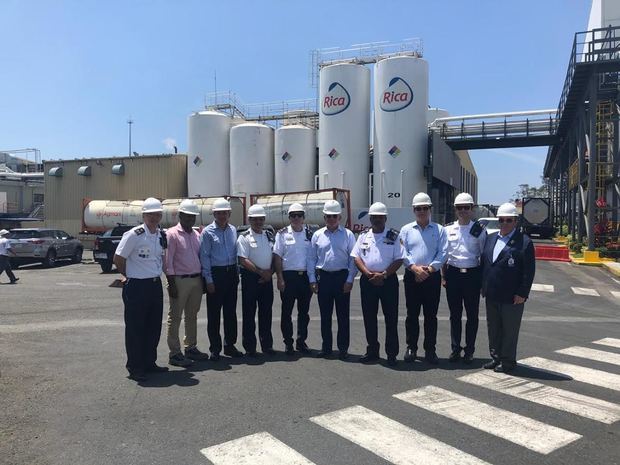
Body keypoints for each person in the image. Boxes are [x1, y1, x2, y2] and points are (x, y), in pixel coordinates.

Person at [113, 197, 169, 382]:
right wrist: (127, 275)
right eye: (150, 214)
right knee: (136, 328)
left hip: (154, 285)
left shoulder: (161, 235)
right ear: (144, 215)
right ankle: (135, 367)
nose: (154, 217)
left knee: (153, 327)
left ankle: (149, 363)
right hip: (137, 286)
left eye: (157, 214)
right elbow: (118, 258)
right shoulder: (134, 235)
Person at [481, 202, 535, 373]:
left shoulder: (524, 242)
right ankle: (496, 357)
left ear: (515, 221)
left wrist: (522, 293)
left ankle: (508, 361)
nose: (504, 224)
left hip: (512, 296)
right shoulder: (491, 239)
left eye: (508, 220)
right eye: (501, 220)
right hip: (492, 294)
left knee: (510, 330)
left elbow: (528, 271)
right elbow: (486, 264)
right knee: (494, 328)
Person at [351, 202, 404, 366]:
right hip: (368, 281)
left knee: (391, 318)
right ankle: (372, 350)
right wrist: (367, 274)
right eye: (374, 217)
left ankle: (391, 353)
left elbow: (399, 258)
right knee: (369, 317)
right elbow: (356, 257)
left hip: (388, 281)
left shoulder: (393, 236)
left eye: (380, 217)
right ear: (370, 218)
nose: (377, 220)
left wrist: (384, 274)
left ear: (385, 218)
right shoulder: (363, 236)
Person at [399, 192, 447, 365]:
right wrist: (414, 268)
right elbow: (402, 253)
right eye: (418, 208)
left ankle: (430, 350)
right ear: (413, 210)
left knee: (430, 316)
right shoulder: (406, 230)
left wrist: (430, 269)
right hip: (412, 277)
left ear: (430, 209)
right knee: (412, 315)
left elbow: (443, 252)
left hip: (432, 277)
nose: (421, 211)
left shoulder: (439, 230)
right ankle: (411, 347)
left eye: (425, 208)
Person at [307, 199, 357, 360]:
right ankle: (326, 347)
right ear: (324, 217)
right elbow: (311, 259)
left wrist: (350, 279)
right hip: (324, 278)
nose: (331, 219)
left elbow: (353, 259)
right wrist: (312, 279)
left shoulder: (348, 235)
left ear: (339, 218)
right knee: (325, 316)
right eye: (328, 216)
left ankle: (343, 348)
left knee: (343, 316)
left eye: (334, 216)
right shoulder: (317, 235)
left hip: (342, 277)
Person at [442, 193, 486, 364]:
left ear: (472, 209)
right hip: (453, 274)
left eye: (466, 208)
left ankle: (469, 350)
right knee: (455, 315)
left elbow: (483, 256)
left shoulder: (479, 230)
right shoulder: (447, 230)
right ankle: (455, 349)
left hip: (472, 275)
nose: (463, 211)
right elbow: (445, 256)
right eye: (459, 208)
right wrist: (444, 277)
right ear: (455, 210)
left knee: (472, 315)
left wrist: (482, 281)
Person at [164, 199, 208, 367]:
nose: (190, 219)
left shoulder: (196, 235)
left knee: (192, 316)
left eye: (193, 217)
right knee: (175, 317)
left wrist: (202, 281)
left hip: (196, 280)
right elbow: (168, 261)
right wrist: (171, 283)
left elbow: (200, 258)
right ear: (180, 215)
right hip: (179, 280)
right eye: (187, 216)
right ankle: (175, 353)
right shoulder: (172, 234)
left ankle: (191, 347)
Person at [199, 198, 243, 361]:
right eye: (219, 213)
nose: (222, 216)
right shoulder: (208, 232)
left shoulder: (232, 230)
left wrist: (236, 273)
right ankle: (215, 348)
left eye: (225, 213)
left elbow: (235, 252)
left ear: (229, 213)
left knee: (231, 313)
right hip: (216, 275)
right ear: (214, 214)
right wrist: (208, 280)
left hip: (231, 273)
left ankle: (230, 345)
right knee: (214, 314)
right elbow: (205, 257)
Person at [273, 203, 314, 355]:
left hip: (305, 277)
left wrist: (313, 279)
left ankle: (301, 341)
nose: (296, 218)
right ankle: (288, 342)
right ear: (289, 217)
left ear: (303, 217)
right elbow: (277, 257)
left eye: (299, 215)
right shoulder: (282, 234)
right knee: (287, 312)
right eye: (293, 215)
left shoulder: (310, 234)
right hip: (288, 277)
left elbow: (313, 257)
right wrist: (280, 278)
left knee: (304, 312)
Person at [237, 204, 276, 356]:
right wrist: (261, 272)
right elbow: (242, 259)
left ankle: (267, 345)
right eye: (255, 219)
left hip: (267, 278)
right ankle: (250, 347)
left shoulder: (269, 235)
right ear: (249, 220)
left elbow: (275, 255)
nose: (258, 222)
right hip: (251, 278)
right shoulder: (244, 236)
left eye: (261, 219)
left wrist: (270, 272)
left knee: (266, 313)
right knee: (249, 314)